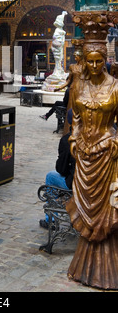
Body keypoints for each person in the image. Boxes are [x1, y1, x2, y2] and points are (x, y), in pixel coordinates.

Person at [66, 39, 118, 290]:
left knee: (105, 207)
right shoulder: (78, 84)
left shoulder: (116, 86)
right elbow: (75, 116)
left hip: (107, 152)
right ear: (84, 61)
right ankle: (85, 262)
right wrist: (74, 137)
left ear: (105, 61)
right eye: (91, 61)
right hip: (84, 155)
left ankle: (107, 265)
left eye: (100, 60)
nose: (95, 65)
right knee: (85, 205)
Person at [39, 109, 75, 229]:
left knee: (51, 176)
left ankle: (51, 219)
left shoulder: (68, 140)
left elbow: (62, 169)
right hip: (94, 183)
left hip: (76, 184)